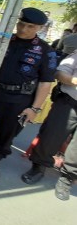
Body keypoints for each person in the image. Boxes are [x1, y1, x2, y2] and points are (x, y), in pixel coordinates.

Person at [0, 8, 56, 179]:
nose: (23, 29)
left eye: (30, 26)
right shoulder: (3, 41)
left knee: (7, 132)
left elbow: (45, 83)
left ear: (39, 28)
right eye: (21, 24)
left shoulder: (46, 51)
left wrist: (35, 109)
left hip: (19, 99)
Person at [20, 50, 76, 190]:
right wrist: (74, 80)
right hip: (69, 102)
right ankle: (38, 167)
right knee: (51, 136)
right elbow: (59, 73)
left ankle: (67, 178)